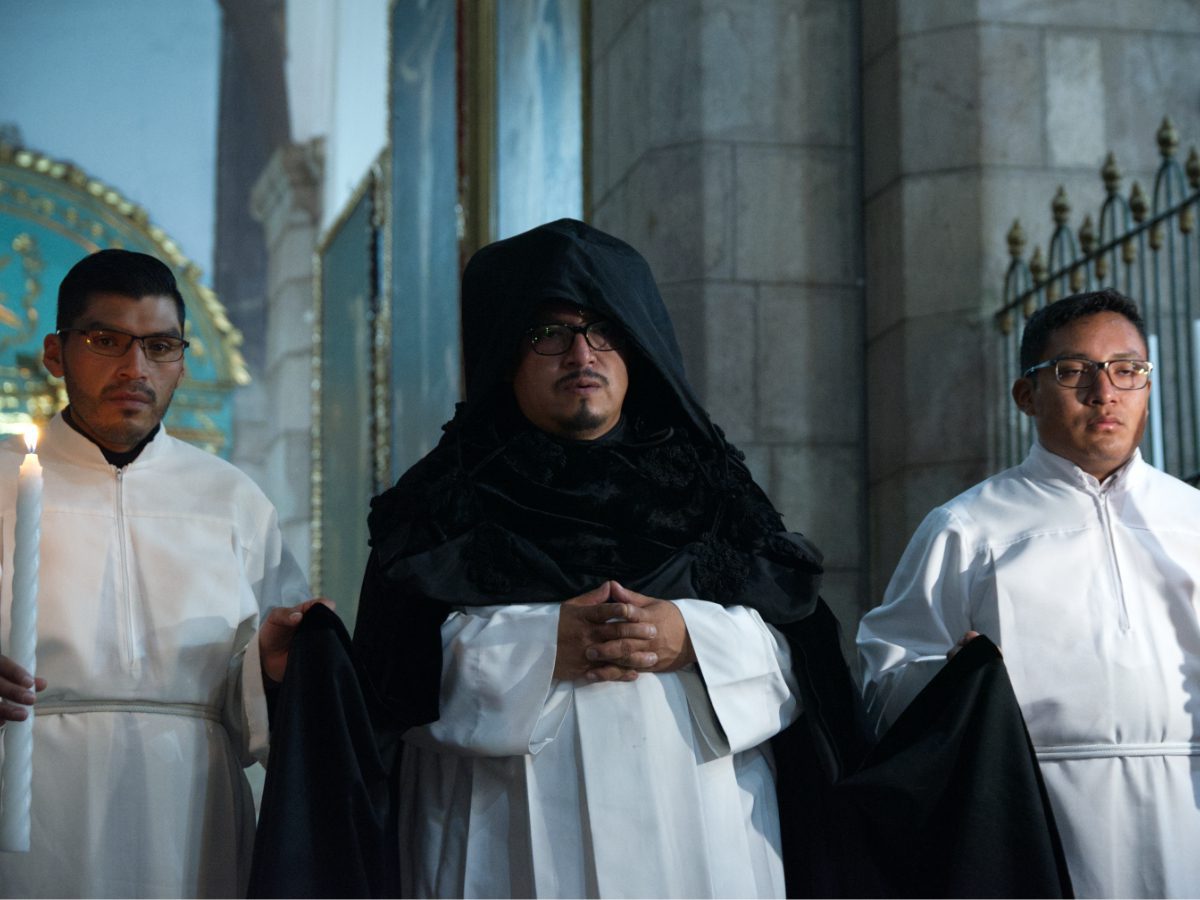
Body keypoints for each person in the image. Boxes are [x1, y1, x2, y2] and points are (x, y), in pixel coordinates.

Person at [353, 219, 835, 898]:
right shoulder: (439, 505)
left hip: (700, 828)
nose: (583, 354)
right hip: (503, 834)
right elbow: (380, 688)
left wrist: (690, 638)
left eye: (603, 329)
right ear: (506, 354)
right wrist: (540, 645)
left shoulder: (713, 493)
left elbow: (808, 670)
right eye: (550, 333)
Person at [857, 288, 1200, 898]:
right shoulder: (967, 528)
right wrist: (953, 681)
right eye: (1074, 372)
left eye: (1128, 370)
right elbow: (884, 689)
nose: (1105, 393)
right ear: (1025, 394)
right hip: (1031, 815)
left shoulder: (1191, 519)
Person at [0, 249, 319, 897]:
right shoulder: (5, 481)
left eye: (160, 346)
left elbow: (262, 702)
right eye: (106, 341)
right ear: (56, 354)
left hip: (190, 805)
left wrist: (277, 666)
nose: (134, 367)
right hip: (31, 799)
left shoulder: (232, 499)